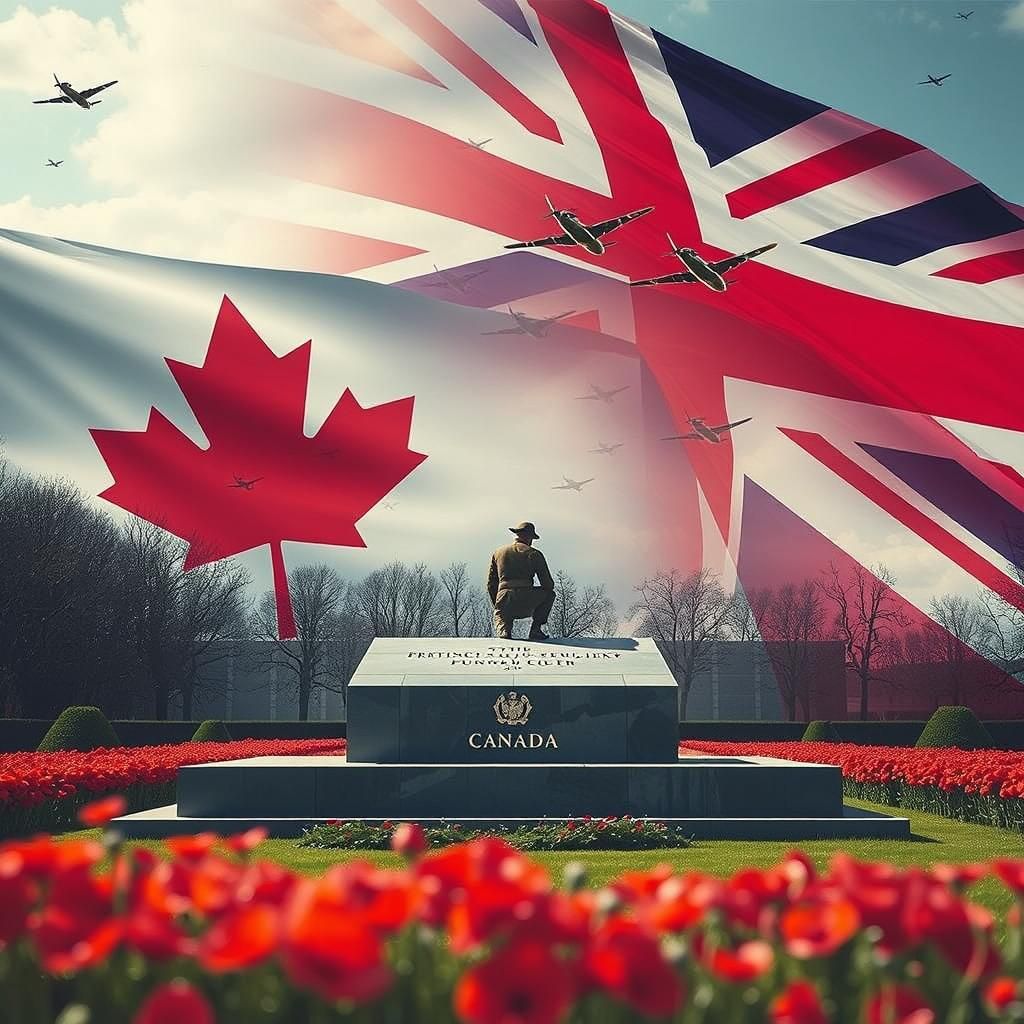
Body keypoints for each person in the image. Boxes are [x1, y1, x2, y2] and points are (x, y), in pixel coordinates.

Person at [486, 521, 556, 641]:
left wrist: (497, 604)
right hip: (526, 598)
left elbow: (491, 584)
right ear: (530, 538)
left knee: (503, 621)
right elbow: (548, 585)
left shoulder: (498, 553)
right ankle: (536, 630)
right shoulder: (534, 553)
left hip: (504, 599)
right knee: (550, 595)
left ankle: (504, 629)